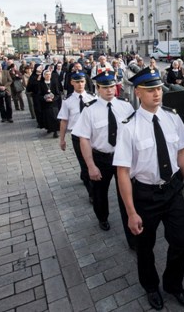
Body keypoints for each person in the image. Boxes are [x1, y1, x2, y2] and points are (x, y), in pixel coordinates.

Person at [114, 67, 184, 310]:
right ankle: (151, 286)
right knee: (145, 247)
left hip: (172, 190)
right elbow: (122, 172)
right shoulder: (128, 126)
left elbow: (181, 152)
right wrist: (131, 212)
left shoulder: (172, 117)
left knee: (181, 240)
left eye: (159, 88)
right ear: (138, 93)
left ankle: (173, 284)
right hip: (145, 194)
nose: (157, 93)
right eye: (150, 90)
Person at [73, 71, 136, 247]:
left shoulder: (125, 106)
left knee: (126, 196)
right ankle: (102, 217)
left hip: (123, 158)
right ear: (98, 88)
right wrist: (91, 166)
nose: (109, 90)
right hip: (101, 158)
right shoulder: (89, 110)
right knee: (100, 193)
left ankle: (132, 239)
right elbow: (83, 139)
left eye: (112, 86)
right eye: (105, 87)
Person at [57, 72, 97, 203]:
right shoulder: (67, 101)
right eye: (77, 82)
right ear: (72, 83)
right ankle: (92, 193)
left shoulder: (93, 98)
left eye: (82, 81)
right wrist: (62, 139)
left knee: (94, 163)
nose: (80, 84)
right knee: (85, 166)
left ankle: (93, 183)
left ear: (85, 82)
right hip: (78, 137)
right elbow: (64, 121)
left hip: (92, 136)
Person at [39, 70, 62, 137]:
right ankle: (49, 128)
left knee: (55, 117)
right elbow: (39, 95)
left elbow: (58, 94)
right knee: (48, 118)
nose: (48, 76)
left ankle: (55, 131)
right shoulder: (41, 84)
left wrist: (53, 99)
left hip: (54, 104)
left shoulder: (54, 83)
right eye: (46, 74)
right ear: (44, 76)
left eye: (49, 74)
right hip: (45, 104)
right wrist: (45, 98)